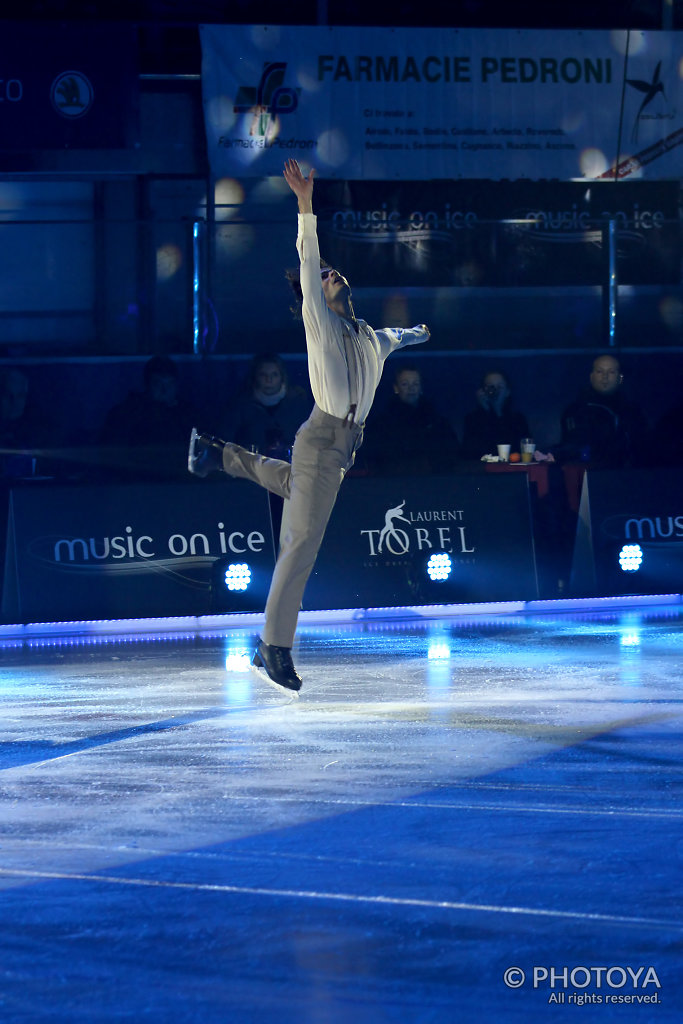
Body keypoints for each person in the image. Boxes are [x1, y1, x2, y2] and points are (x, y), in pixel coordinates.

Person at [188, 158, 431, 693]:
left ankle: (216, 454)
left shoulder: (369, 335)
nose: (332, 274)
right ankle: (273, 647)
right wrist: (305, 204)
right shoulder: (317, 325)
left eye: (335, 272)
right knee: (300, 546)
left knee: (293, 486)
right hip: (322, 438)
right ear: (312, 296)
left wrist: (416, 332)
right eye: (324, 276)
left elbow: (398, 336)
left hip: (337, 448)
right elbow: (308, 257)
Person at [99, 355, 197, 480]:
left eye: (170, 383)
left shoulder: (188, 414)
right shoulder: (126, 414)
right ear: (147, 385)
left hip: (179, 481)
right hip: (138, 482)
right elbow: (113, 453)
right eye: (158, 383)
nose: (164, 390)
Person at [362, 364, 460, 475]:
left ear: (421, 387)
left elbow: (450, 454)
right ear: (396, 388)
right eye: (405, 384)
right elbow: (375, 459)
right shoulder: (382, 425)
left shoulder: (437, 422)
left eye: (415, 384)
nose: (411, 388)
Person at [559, 354, 646, 467]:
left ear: (620, 378)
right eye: (600, 371)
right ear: (591, 377)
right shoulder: (576, 411)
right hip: (592, 476)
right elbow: (575, 447)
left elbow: (642, 447)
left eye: (611, 372)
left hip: (631, 477)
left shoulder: (632, 411)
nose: (605, 377)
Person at [223, 351, 311, 460]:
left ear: (282, 376)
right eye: (263, 375)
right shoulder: (241, 404)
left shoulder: (297, 401)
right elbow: (227, 439)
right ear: (255, 377)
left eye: (274, 374)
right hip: (252, 466)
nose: (269, 380)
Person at [461, 370, 530, 460]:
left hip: (513, 469)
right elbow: (472, 452)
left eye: (499, 387)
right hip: (483, 470)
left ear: (507, 392)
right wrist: (485, 412)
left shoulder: (518, 420)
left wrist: (497, 413)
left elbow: (522, 450)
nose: (494, 391)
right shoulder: (472, 420)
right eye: (490, 387)